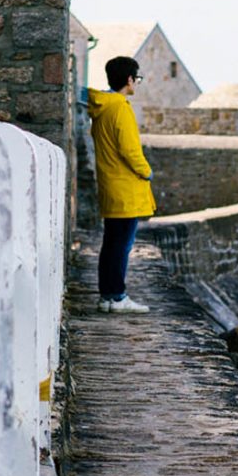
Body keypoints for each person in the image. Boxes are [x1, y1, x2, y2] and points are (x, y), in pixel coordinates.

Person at [87, 55, 155, 312]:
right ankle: (117, 297)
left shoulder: (103, 107)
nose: (136, 83)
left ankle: (107, 296)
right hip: (125, 188)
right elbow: (130, 150)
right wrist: (147, 172)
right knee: (121, 245)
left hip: (110, 184)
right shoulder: (120, 107)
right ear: (128, 79)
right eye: (136, 78)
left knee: (111, 244)